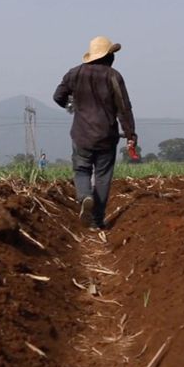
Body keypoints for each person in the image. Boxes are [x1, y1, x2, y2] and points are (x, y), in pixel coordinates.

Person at [53, 36, 137, 229]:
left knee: (81, 169)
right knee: (103, 176)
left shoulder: (74, 74)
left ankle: (84, 196)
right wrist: (130, 134)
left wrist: (71, 105)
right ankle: (96, 221)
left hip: (81, 134)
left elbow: (58, 96)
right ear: (108, 56)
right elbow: (124, 108)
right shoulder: (114, 76)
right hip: (106, 135)